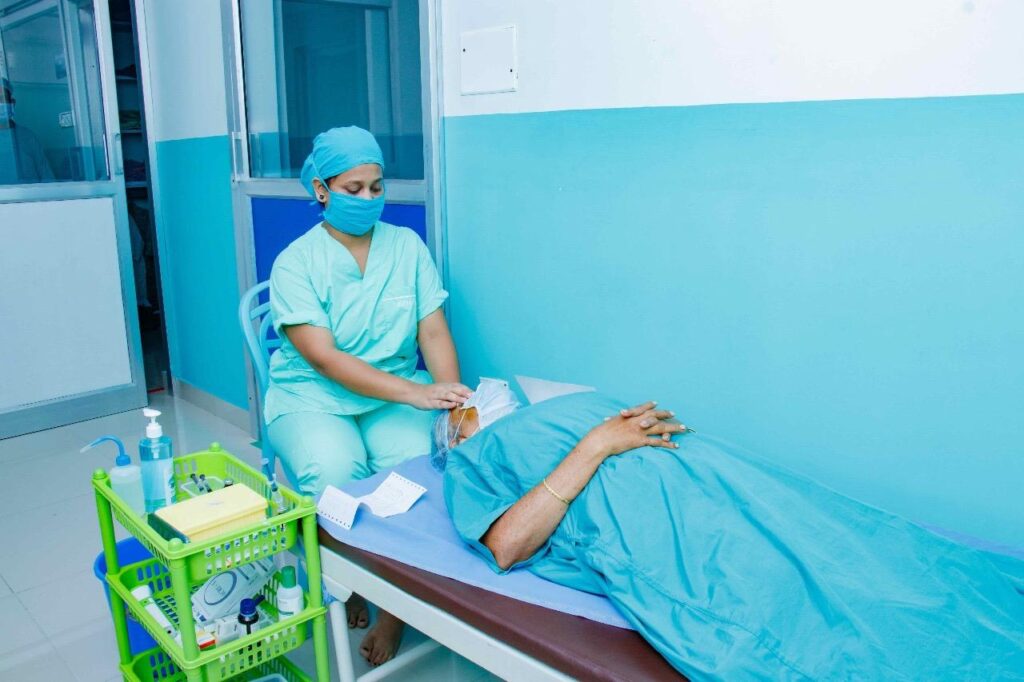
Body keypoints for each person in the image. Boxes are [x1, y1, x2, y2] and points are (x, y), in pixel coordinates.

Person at [438, 388, 1024, 681]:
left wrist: (609, 429)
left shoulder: (576, 402)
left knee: (836, 542)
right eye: (457, 409)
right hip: (647, 514)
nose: (471, 401)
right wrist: (594, 445)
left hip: (716, 476)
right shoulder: (474, 456)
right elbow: (505, 545)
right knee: (800, 602)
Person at [265, 126, 470, 664]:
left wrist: (451, 404)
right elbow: (325, 359)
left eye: (376, 187)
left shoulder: (406, 247)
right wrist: (415, 393)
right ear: (321, 190)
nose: (368, 198)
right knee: (338, 475)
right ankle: (349, 582)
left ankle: (394, 611)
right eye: (353, 188)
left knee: (418, 471)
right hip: (312, 396)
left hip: (391, 394)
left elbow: (433, 332)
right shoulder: (295, 263)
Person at [0, 78, 55, 184]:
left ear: (12, 103)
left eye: (2, 99)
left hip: (31, 194)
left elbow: (47, 177)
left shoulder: (28, 137)